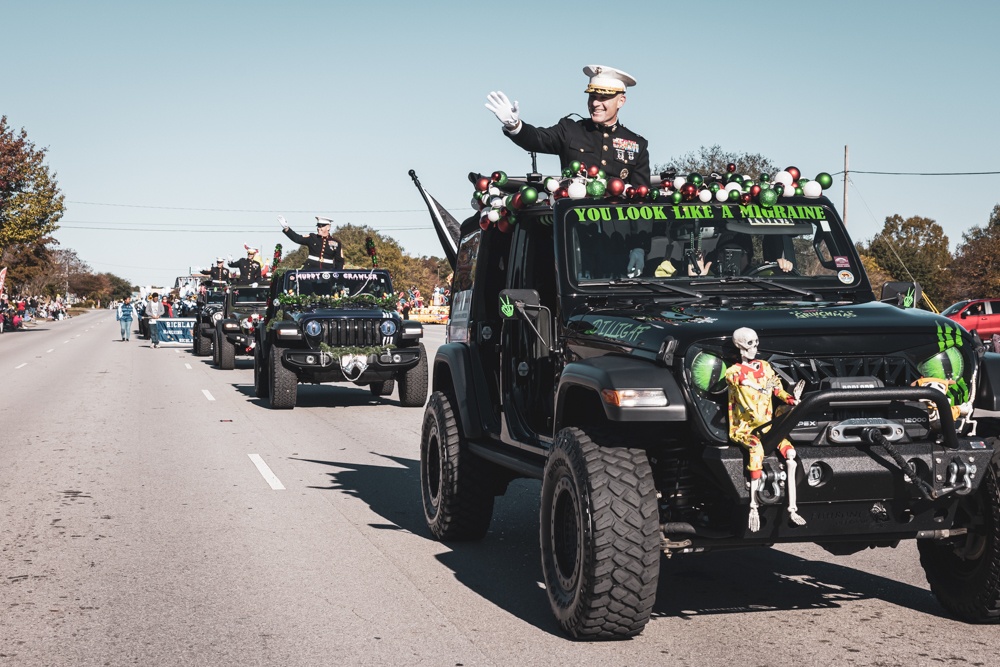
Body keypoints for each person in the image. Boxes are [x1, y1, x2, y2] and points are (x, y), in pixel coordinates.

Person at [486, 65, 650, 186]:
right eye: (592, 97)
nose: (595, 103)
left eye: (603, 98)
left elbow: (641, 197)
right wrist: (514, 125)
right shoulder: (571, 130)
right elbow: (537, 139)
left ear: (621, 101)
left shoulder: (637, 144)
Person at [725, 327, 806, 531]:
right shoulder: (734, 371)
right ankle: (754, 506)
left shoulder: (765, 366)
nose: (755, 347)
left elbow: (776, 388)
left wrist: (791, 399)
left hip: (769, 425)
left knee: (791, 453)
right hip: (746, 428)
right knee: (756, 450)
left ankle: (792, 509)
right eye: (750, 343)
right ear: (739, 346)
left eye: (756, 342)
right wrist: (756, 386)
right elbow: (737, 380)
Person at [278, 216, 345, 270]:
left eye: (321, 226)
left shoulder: (336, 243)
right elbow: (297, 238)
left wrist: (338, 277)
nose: (319, 228)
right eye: (318, 226)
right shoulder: (312, 238)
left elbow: (339, 261)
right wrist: (286, 228)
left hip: (327, 271)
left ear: (328, 227)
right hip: (310, 270)